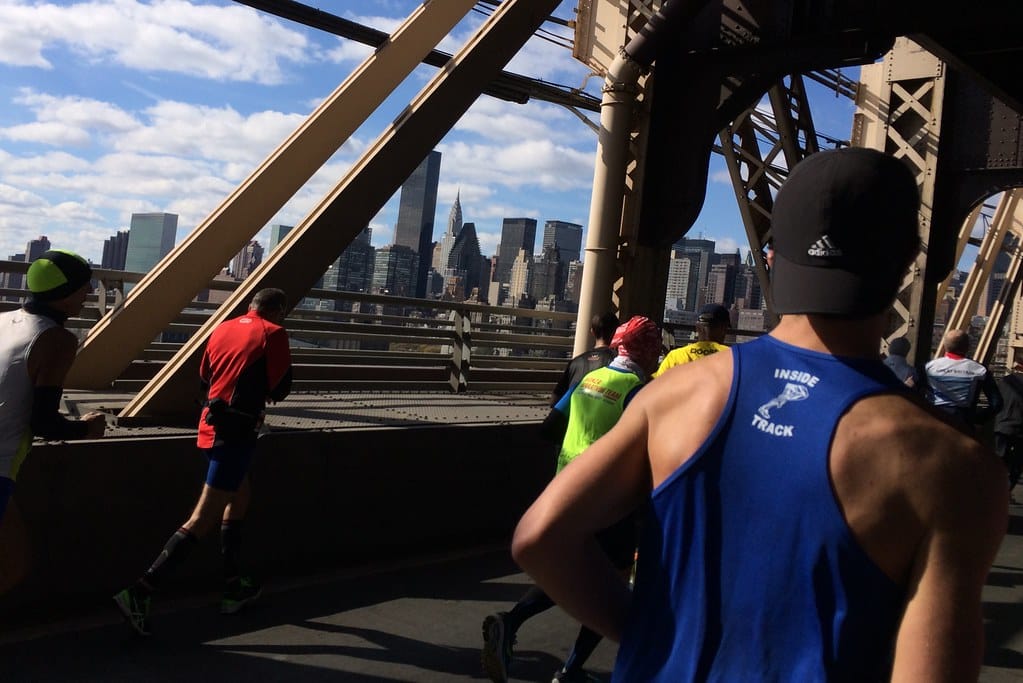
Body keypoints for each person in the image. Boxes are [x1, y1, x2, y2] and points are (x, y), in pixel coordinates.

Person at [512, 147, 1008, 681]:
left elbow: (540, 537)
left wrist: (650, 634)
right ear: (911, 260)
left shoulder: (675, 392)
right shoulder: (953, 466)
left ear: (771, 258)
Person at [482, 315, 661, 683]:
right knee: (611, 584)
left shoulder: (589, 378)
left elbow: (551, 426)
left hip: (566, 485)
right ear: (646, 351)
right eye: (655, 349)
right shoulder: (638, 391)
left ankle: (510, 622)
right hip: (609, 496)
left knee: (578, 570)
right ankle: (569, 670)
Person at [114, 288, 293, 636]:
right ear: (279, 311)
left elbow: (205, 377)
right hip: (236, 433)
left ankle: (233, 585)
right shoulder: (274, 333)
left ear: (250, 306)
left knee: (239, 498)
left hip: (210, 427)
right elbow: (279, 390)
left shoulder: (222, 328)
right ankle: (140, 591)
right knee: (202, 517)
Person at [0, 249, 106, 595]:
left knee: (13, 561)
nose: (89, 293)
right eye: (84, 286)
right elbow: (45, 423)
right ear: (64, 294)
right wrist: (87, 428)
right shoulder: (58, 340)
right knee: (12, 565)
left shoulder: (3, 319)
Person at [925, 329, 1003, 426]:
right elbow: (996, 403)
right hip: (963, 423)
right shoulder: (980, 370)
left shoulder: (928, 367)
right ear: (967, 347)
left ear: (944, 346)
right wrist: (977, 420)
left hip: (933, 420)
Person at [549, 312, 620, 406]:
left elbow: (554, 401)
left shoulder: (575, 362)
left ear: (592, 332)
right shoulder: (618, 362)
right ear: (616, 332)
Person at [652, 303, 730, 378]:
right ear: (724, 328)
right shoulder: (732, 358)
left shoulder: (675, 357)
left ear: (697, 327)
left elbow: (657, 385)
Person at [994, 361, 1023, 493]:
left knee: (999, 459)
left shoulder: (1005, 381)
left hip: (1002, 425)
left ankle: (996, 489)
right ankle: (1007, 490)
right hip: (1020, 429)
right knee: (1017, 464)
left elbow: (996, 402)